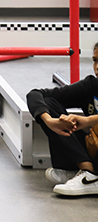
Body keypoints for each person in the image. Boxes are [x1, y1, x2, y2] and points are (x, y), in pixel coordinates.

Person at [26, 42, 98, 196]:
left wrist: (89, 120)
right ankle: (87, 171)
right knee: (49, 104)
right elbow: (35, 94)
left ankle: (90, 177)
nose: (97, 67)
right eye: (95, 60)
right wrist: (49, 121)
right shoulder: (91, 85)